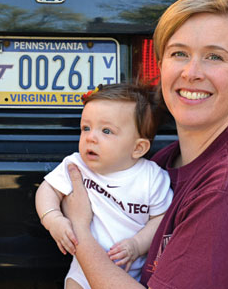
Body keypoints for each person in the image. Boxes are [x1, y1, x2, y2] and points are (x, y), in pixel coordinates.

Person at [61, 0, 228, 288]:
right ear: (161, 67)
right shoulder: (167, 160)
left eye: (214, 57)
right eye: (179, 53)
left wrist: (80, 228)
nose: (192, 72)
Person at [36, 83, 173, 289]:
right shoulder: (77, 165)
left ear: (138, 148)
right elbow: (47, 190)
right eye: (86, 128)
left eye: (106, 131)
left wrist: (137, 244)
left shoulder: (151, 178)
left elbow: (161, 220)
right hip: (81, 271)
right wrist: (53, 219)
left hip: (130, 274)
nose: (91, 137)